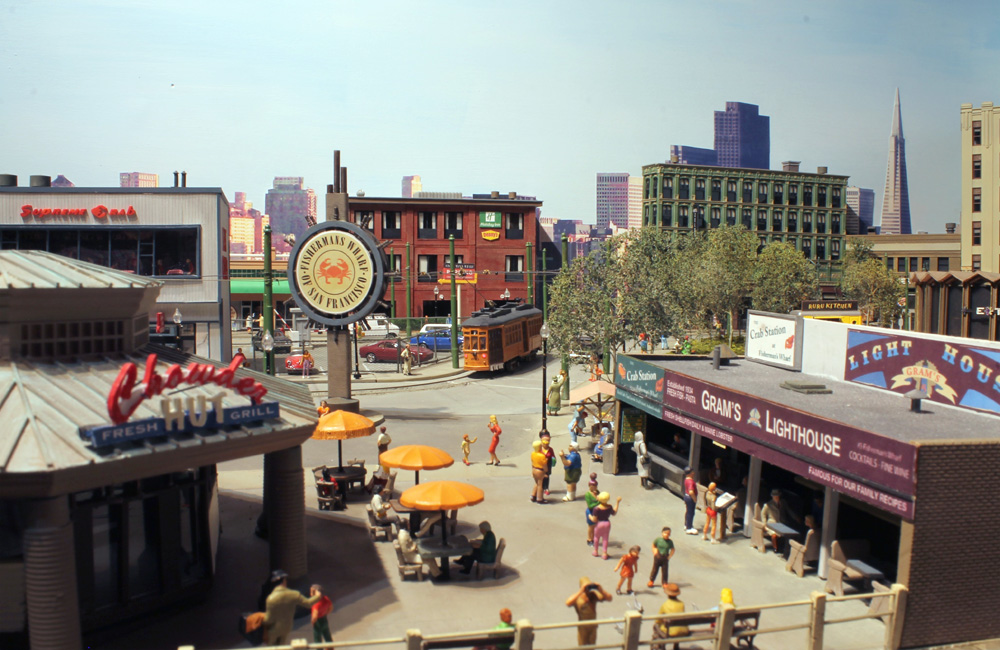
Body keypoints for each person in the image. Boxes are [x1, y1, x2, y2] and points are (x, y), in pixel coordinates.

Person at [263, 570, 322, 646]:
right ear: (284, 581)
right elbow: (308, 603)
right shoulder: (294, 594)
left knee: (271, 646)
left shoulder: (270, 599)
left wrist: (261, 619)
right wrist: (317, 596)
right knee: (282, 645)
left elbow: (268, 619)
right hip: (287, 627)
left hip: (274, 629)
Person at [566, 577, 612, 647]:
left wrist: (601, 590)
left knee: (592, 646)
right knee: (582, 646)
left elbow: (609, 598)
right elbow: (568, 602)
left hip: (593, 625)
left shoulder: (593, 595)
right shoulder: (578, 597)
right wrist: (581, 591)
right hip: (583, 626)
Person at [761, 489, 798, 553]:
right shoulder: (768, 505)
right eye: (775, 497)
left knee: (788, 533)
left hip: (781, 523)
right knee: (774, 534)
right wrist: (764, 524)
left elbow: (788, 510)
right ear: (772, 497)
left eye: (778, 496)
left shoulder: (783, 502)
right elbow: (763, 514)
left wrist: (795, 517)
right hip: (772, 523)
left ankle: (785, 548)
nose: (777, 498)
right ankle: (775, 547)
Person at [588, 492, 621, 560]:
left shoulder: (596, 508)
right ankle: (604, 553)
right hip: (607, 523)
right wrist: (617, 502)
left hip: (599, 524)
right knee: (605, 538)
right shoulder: (609, 507)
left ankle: (596, 551)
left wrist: (590, 516)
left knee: (596, 537)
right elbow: (614, 513)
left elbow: (594, 520)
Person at [584, 475, 600, 546]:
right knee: (591, 526)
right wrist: (598, 502)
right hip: (590, 512)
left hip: (596, 511)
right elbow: (590, 506)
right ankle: (589, 538)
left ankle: (593, 538)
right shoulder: (588, 494)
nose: (594, 488)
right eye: (592, 486)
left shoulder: (597, 492)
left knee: (595, 526)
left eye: (595, 486)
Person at [539, 432, 555, 497]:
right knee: (541, 477)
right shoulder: (540, 449)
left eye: (548, 441)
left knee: (547, 477)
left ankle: (546, 488)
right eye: (545, 441)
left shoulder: (550, 449)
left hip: (548, 465)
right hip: (541, 465)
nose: (546, 443)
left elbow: (553, 456)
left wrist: (553, 460)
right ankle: (541, 488)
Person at [683, 466, 698, 535]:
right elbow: (691, 491)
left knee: (688, 511)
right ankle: (689, 527)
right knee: (691, 513)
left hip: (686, 496)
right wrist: (695, 499)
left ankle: (686, 524)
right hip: (690, 498)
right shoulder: (690, 482)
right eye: (692, 472)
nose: (693, 473)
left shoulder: (686, 480)